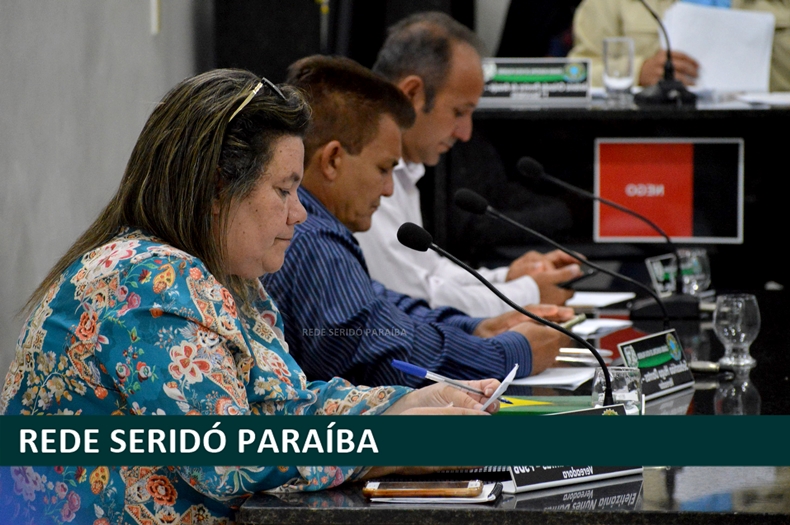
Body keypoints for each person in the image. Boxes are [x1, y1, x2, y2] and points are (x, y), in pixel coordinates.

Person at [0, 69, 504, 523]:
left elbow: (280, 408)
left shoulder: (229, 281)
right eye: (284, 191)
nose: (300, 214)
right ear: (219, 188)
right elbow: (228, 455)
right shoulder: (144, 281)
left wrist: (405, 405)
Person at [264, 54, 574, 390]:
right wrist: (510, 354)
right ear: (333, 160)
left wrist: (473, 328)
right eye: (383, 169)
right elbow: (385, 359)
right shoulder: (312, 240)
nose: (388, 189)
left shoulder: (320, 233)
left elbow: (381, 306)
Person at [354, 11, 584, 319]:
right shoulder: (362, 168)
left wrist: (507, 278)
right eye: (459, 112)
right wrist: (529, 292)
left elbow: (428, 269)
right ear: (412, 94)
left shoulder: (405, 166)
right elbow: (412, 300)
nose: (466, 133)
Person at [568, 0, 790, 91]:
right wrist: (637, 73)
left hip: (768, 139)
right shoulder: (609, 3)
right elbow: (575, 77)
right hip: (653, 139)